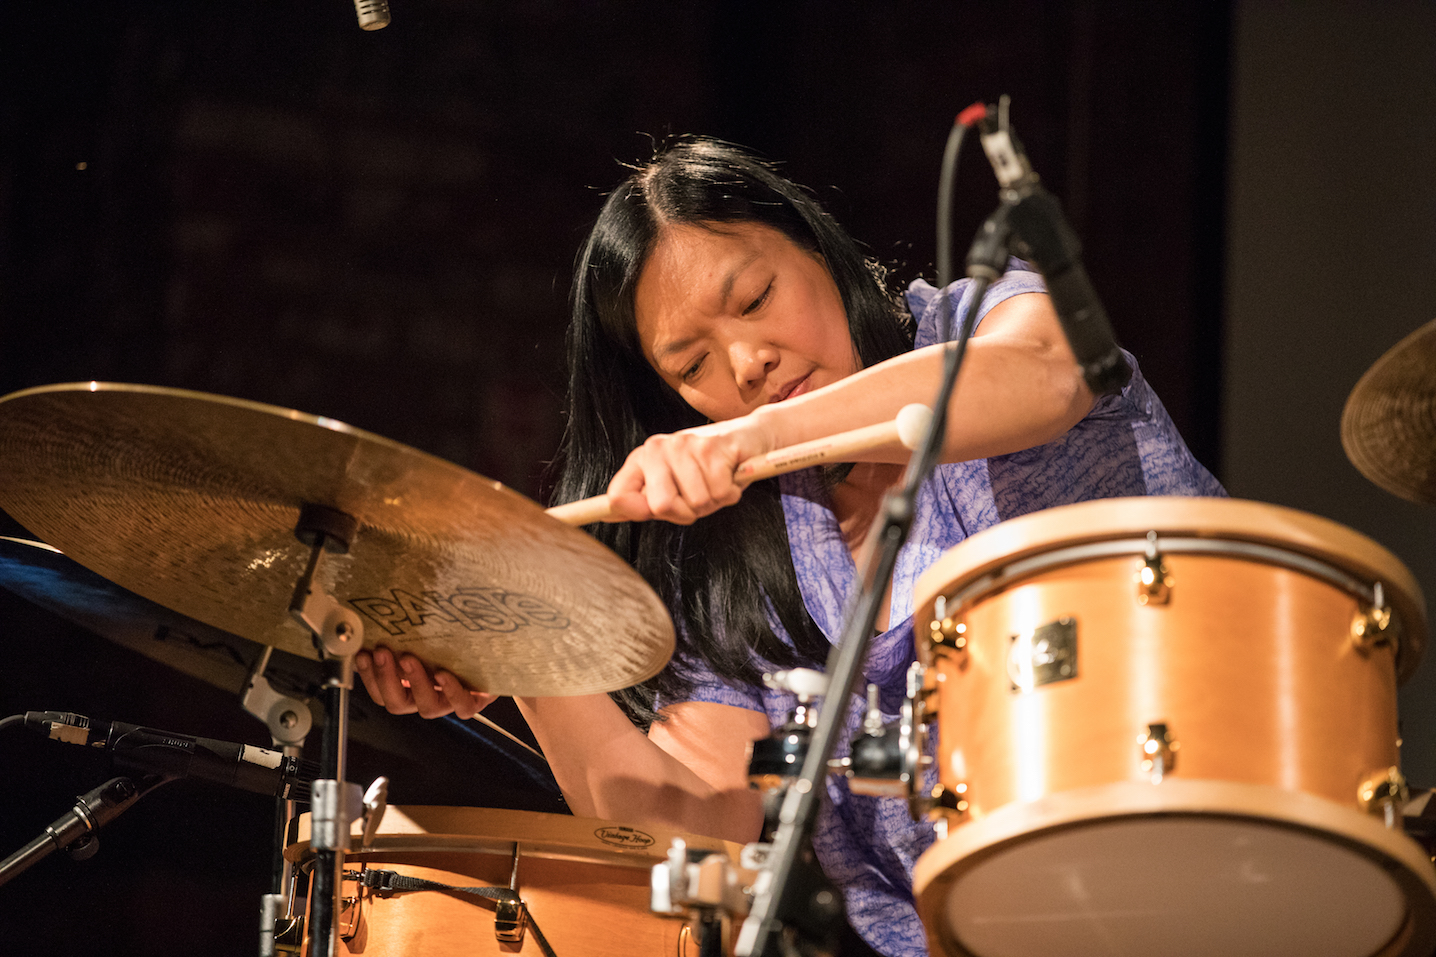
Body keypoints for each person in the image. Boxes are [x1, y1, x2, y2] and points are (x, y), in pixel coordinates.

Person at [355, 136, 1225, 957]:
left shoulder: (983, 322)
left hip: (1216, 847)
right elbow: (692, 826)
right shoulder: (749, 551)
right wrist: (523, 644)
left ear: (817, 245)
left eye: (755, 300)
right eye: (692, 364)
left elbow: (1050, 369)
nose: (746, 363)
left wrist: (749, 441)